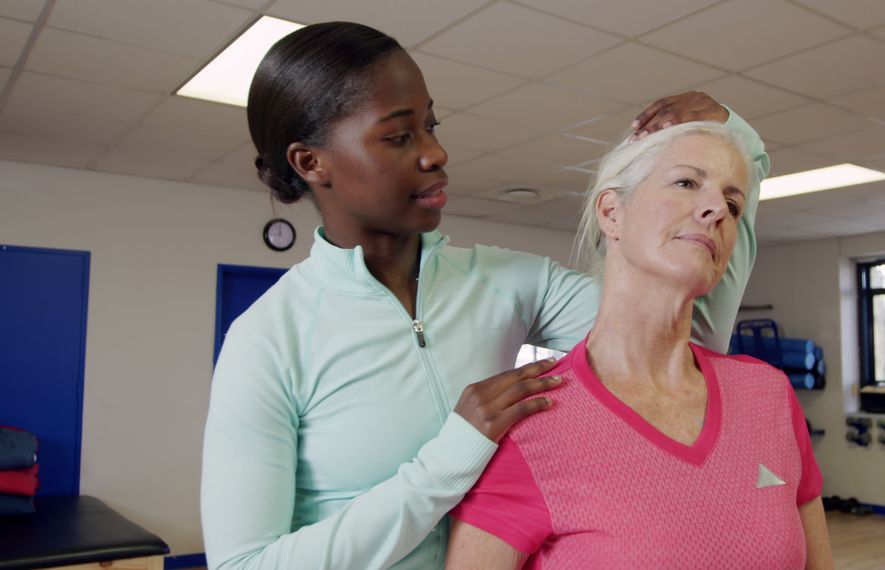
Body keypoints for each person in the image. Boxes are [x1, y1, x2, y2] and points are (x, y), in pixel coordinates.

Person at [200, 21, 769, 570]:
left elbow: (685, 335)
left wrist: (738, 139)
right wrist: (446, 462)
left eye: (431, 125)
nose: (435, 153)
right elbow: (245, 563)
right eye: (400, 136)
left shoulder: (507, 283)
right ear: (311, 162)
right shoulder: (268, 338)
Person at [445, 121, 832, 569]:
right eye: (687, 182)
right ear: (611, 212)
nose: (717, 210)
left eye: (732, 203)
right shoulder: (529, 421)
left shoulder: (769, 396)